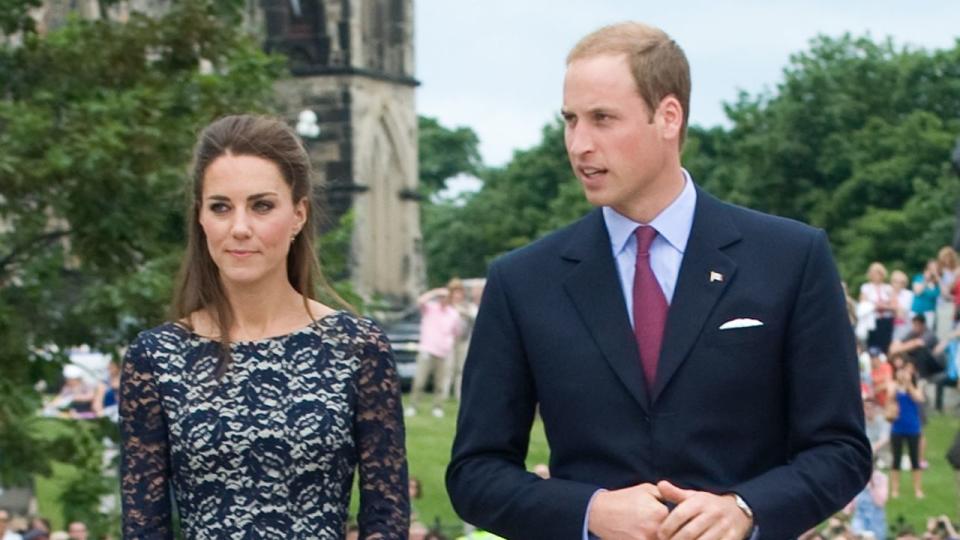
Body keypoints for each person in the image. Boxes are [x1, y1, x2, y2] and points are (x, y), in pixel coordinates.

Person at [446, 21, 870, 540]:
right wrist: (589, 511)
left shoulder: (791, 258)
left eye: (602, 119)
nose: (579, 144)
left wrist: (745, 508)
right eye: (571, 120)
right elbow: (475, 473)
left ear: (668, 117)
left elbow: (841, 450)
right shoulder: (522, 280)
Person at [119, 115, 409, 537]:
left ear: (298, 214)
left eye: (261, 206)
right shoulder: (156, 357)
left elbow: (387, 516)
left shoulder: (356, 348)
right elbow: (145, 527)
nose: (239, 228)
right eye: (221, 207)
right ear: (200, 217)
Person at [407, 281, 464, 418]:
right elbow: (420, 301)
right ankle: (413, 406)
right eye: (441, 297)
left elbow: (457, 332)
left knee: (440, 383)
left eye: (445, 297)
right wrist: (436, 291)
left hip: (444, 352)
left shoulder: (453, 313)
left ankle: (438, 407)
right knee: (420, 381)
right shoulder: (430, 309)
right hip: (428, 349)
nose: (443, 299)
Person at [888, 363, 925, 499]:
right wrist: (898, 383)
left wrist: (908, 384)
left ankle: (917, 489)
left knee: (915, 460)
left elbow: (919, 398)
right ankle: (895, 490)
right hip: (897, 428)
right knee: (896, 460)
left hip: (913, 428)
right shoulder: (894, 386)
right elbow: (890, 397)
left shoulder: (916, 386)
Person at [860, 262, 896, 354]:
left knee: (885, 345)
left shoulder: (888, 288)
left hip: (886, 320)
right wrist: (875, 306)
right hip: (872, 321)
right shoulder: (866, 288)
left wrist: (883, 306)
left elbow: (894, 305)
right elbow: (863, 304)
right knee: (872, 346)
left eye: (878, 273)